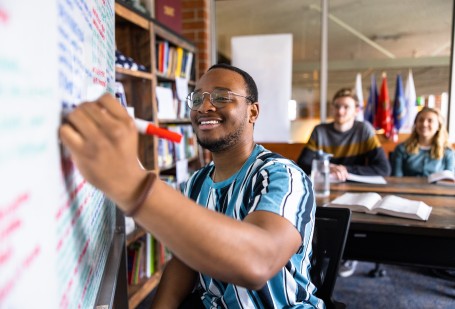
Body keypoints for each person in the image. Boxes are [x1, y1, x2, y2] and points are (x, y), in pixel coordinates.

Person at [59, 63, 323, 308]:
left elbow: (257, 264)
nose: (204, 107)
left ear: (253, 111)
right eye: (197, 99)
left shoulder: (283, 176)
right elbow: (186, 261)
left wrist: (132, 184)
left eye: (221, 97)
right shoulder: (195, 183)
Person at [296, 87, 391, 277]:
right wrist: (328, 166)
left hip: (354, 188)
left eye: (346, 107)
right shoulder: (320, 130)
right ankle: (314, 257)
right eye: (337, 106)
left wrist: (347, 170)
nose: (340, 111)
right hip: (325, 188)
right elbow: (303, 163)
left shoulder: (364, 129)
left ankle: (346, 254)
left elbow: (383, 168)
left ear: (356, 109)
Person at [391, 107, 454, 176]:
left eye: (430, 121)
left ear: (438, 126)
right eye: (420, 120)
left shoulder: (448, 152)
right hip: (407, 187)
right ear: (415, 124)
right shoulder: (401, 149)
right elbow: (397, 177)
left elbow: (449, 179)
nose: (424, 124)